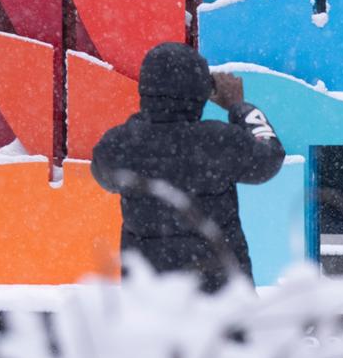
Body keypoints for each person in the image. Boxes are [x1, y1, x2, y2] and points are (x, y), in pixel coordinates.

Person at [91, 42, 286, 293]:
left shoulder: (119, 146)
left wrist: (146, 122)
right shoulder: (219, 141)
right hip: (221, 301)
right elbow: (269, 157)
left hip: (149, 304)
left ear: (145, 90)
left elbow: (103, 173)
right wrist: (239, 106)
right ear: (202, 92)